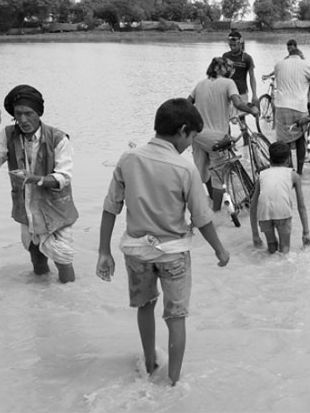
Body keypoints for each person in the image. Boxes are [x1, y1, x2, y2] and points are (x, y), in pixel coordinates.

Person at [96, 98, 230, 387]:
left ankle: (150, 362)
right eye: (192, 138)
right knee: (176, 317)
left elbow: (110, 207)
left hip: (137, 252)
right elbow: (202, 218)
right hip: (173, 254)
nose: (191, 144)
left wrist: (104, 251)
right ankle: (173, 382)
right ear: (182, 130)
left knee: (145, 306)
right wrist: (220, 249)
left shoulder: (128, 159)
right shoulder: (185, 169)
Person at [0, 84, 78, 283]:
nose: (23, 120)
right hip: (27, 211)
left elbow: (63, 178)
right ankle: (40, 300)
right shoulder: (7, 135)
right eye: (18, 114)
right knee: (36, 258)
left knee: (63, 260)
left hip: (55, 212)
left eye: (28, 113)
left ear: (38, 113)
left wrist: (34, 179)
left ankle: (69, 299)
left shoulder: (58, 138)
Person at [187, 57, 258, 209]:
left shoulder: (200, 84)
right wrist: (251, 110)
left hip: (197, 135)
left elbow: (187, 105)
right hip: (217, 137)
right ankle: (217, 212)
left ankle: (211, 200)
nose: (231, 70)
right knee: (219, 178)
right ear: (222, 69)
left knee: (202, 172)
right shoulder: (228, 83)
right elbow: (238, 103)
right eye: (228, 67)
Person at [250, 141, 310, 253]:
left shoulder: (262, 175)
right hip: (282, 212)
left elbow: (253, 206)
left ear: (269, 159)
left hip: (264, 213)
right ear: (288, 159)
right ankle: (283, 268)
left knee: (271, 248)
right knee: (284, 249)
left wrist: (255, 234)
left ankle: (271, 265)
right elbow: (301, 206)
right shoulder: (294, 175)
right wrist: (306, 232)